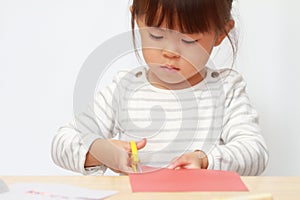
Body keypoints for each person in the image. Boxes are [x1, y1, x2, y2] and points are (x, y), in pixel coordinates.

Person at [52, 0, 269, 176]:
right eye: (156, 36)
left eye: (189, 40)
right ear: (137, 20)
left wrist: (205, 160)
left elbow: (254, 152)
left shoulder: (226, 89)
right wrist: (101, 152)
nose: (170, 52)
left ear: (220, 33)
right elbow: (63, 141)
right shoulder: (124, 88)